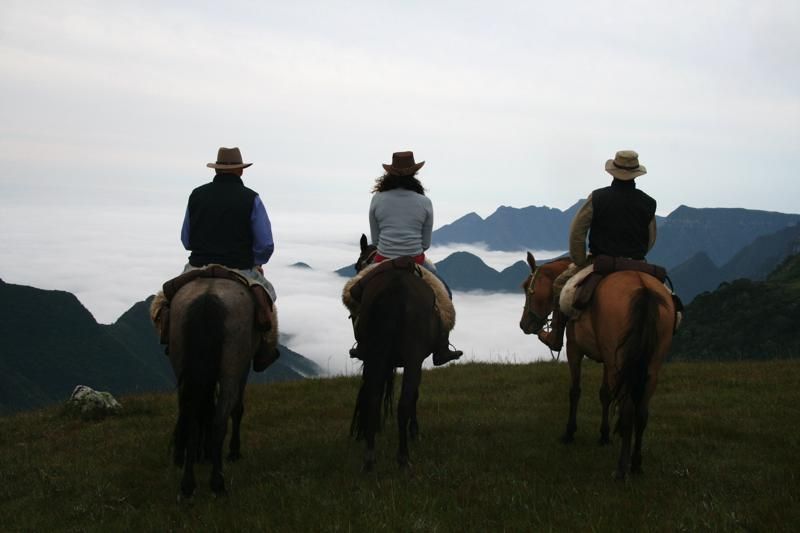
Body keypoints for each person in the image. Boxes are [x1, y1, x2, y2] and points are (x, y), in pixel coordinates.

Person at [351, 150, 462, 365]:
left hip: (383, 261)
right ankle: (442, 348)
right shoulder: (424, 202)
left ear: (390, 174)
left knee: (353, 294)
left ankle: (362, 343)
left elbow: (376, 239)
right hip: (416, 262)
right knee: (445, 294)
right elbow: (425, 244)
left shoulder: (377, 199)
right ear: (414, 174)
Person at [538, 150, 657, 351]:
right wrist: (637, 256)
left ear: (612, 172)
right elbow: (651, 238)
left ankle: (556, 336)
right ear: (636, 173)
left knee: (559, 284)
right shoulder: (649, 203)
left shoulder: (598, 198)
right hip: (636, 263)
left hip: (601, 262)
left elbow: (577, 232)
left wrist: (579, 260)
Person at [180, 146, 278, 371]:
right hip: (239, 268)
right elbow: (265, 245)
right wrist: (255, 261)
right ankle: (265, 349)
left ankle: (168, 336)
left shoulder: (196, 195)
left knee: (164, 301)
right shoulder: (251, 198)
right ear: (241, 171)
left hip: (198, 265)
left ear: (216, 169)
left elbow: (186, 239)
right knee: (268, 301)